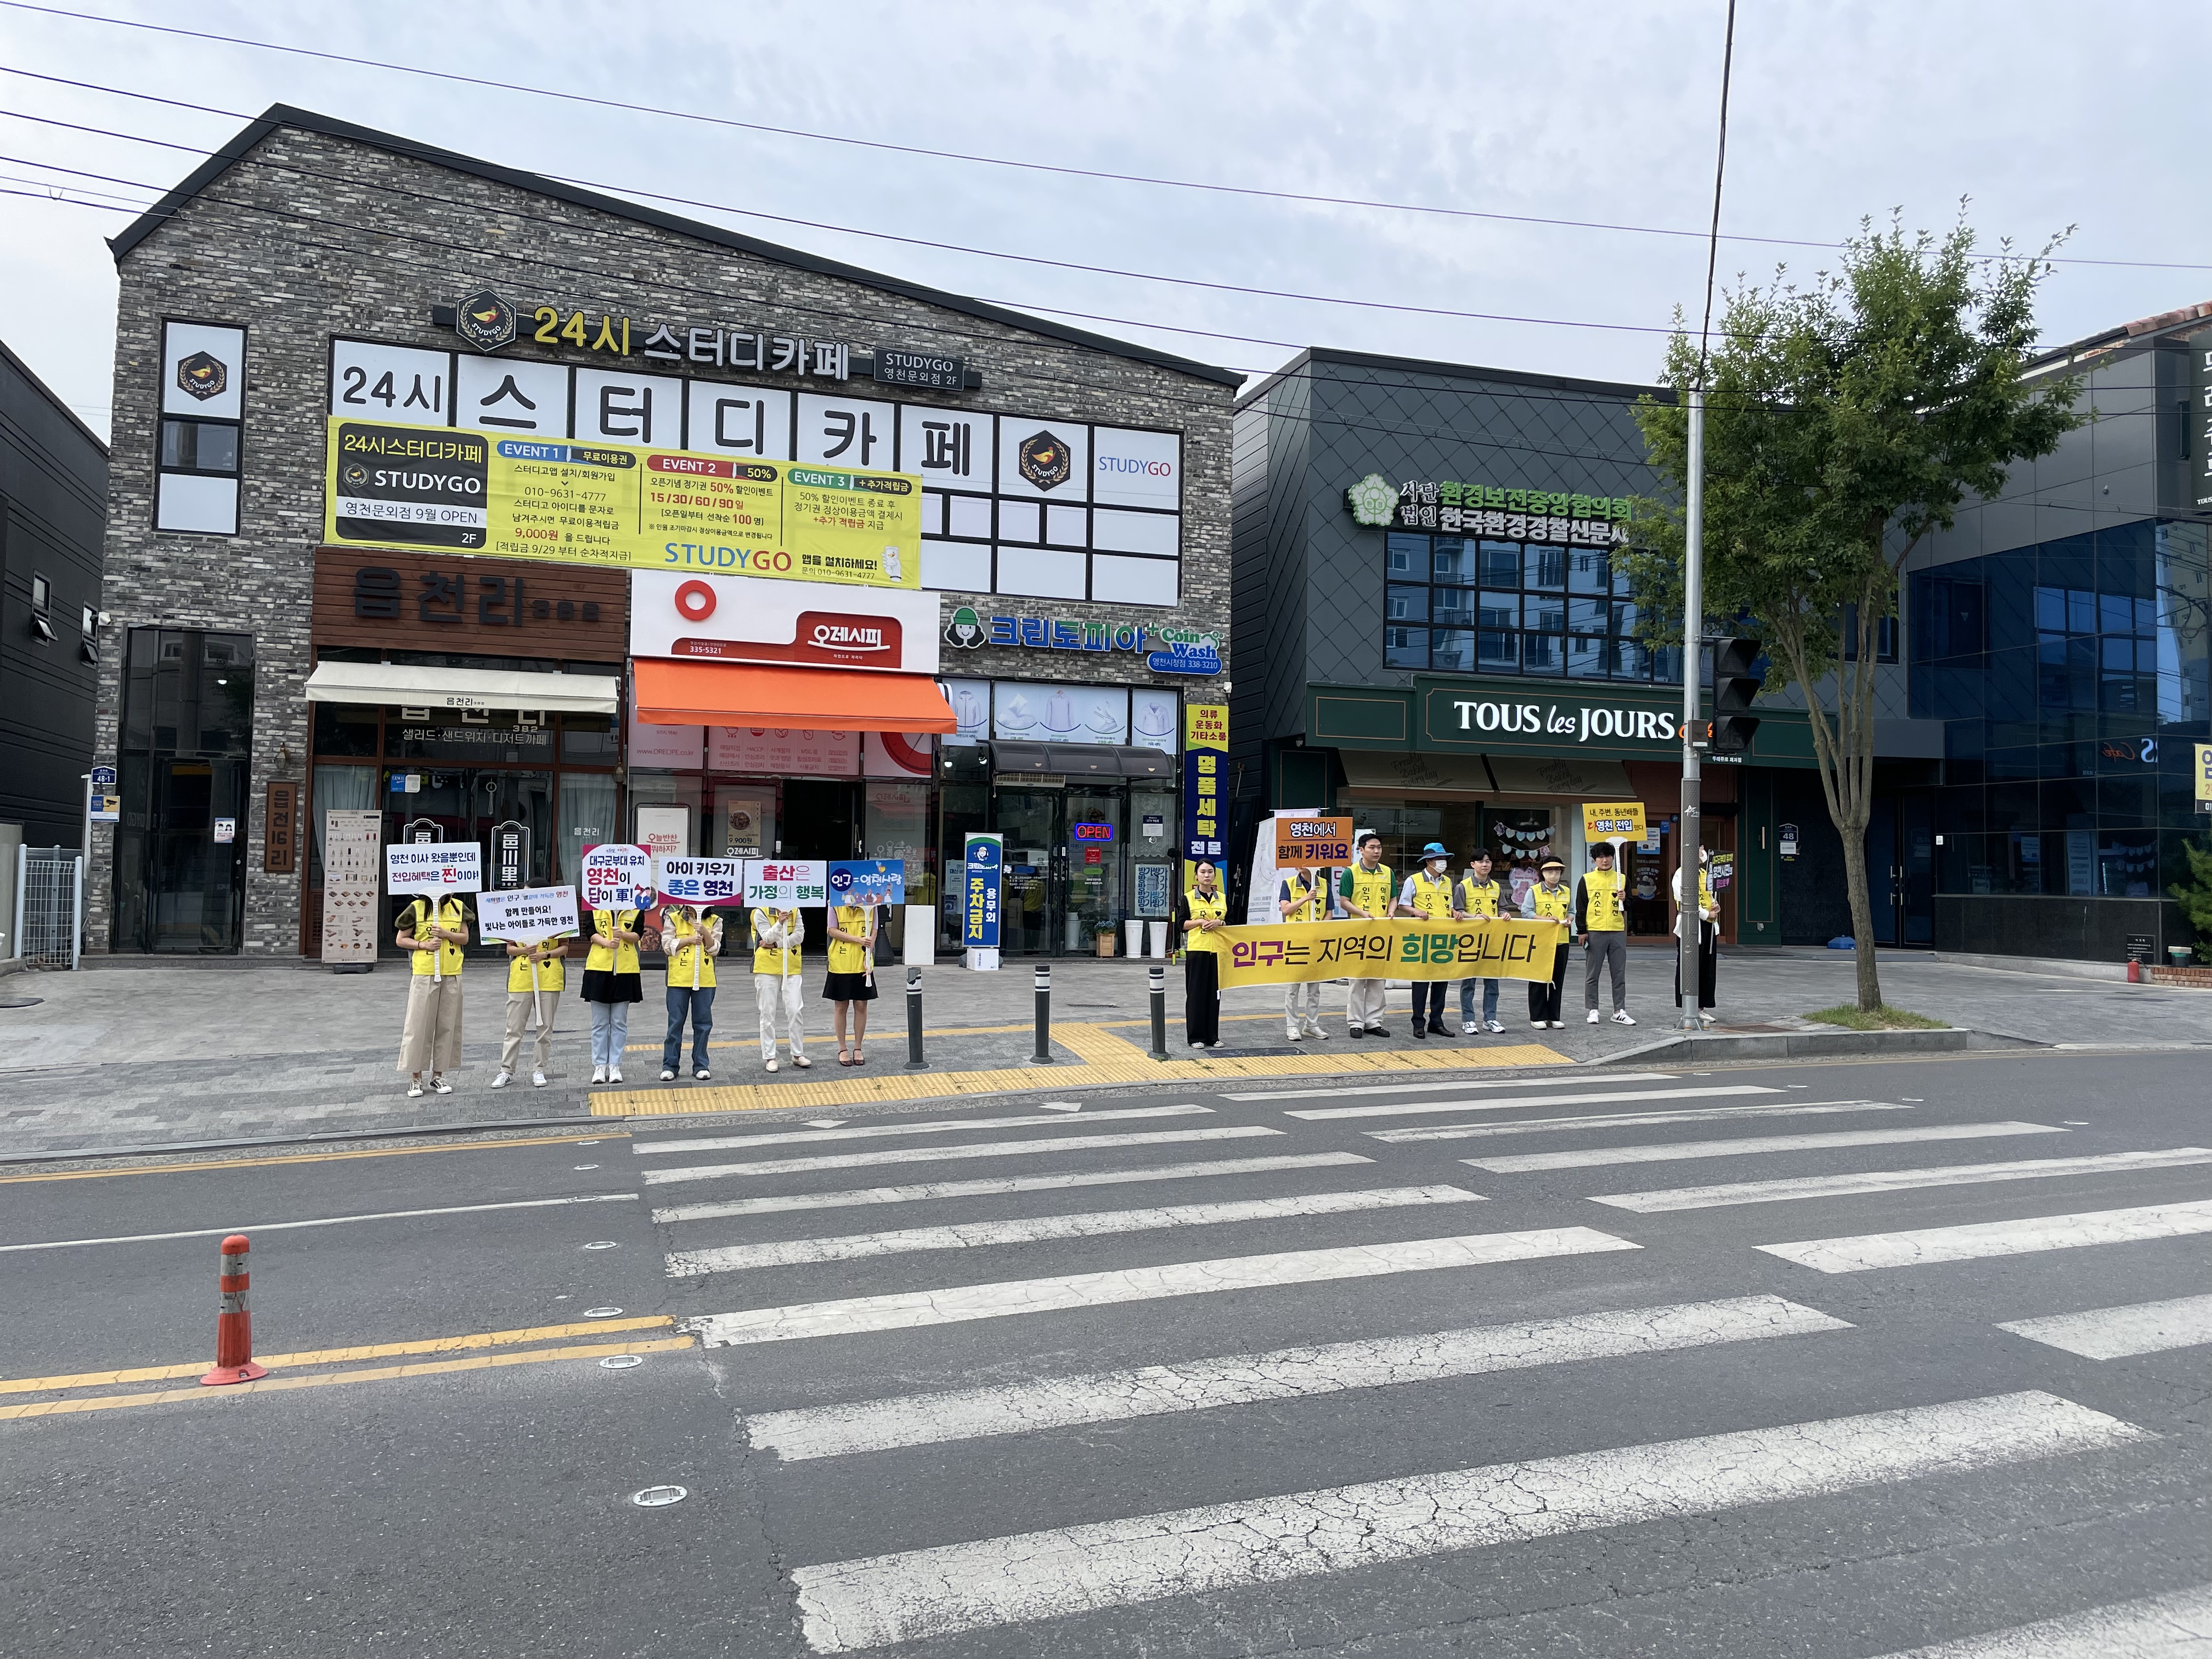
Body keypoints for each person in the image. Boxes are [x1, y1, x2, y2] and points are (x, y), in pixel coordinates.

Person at [395, 891, 468, 1098]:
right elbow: (401, 939)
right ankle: (415, 1077)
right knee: (418, 1025)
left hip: (452, 972)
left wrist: (446, 934)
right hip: (425, 973)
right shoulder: (417, 907)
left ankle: (438, 1075)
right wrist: (423, 945)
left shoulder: (459, 907)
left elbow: (464, 938)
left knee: (448, 1025)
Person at [1396, 842, 1457, 1038]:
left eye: (1444, 858)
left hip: (1444, 939)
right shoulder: (1414, 880)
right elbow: (1403, 905)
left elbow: (1449, 905)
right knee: (1421, 983)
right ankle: (1418, 1022)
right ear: (1429, 861)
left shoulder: (1447, 882)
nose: (1443, 862)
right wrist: (1416, 912)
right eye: (1439, 859)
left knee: (1441, 982)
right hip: (1422, 939)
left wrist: (1455, 912)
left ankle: (1437, 1022)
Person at [657, 902, 722, 1081]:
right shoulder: (673, 918)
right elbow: (667, 946)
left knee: (703, 1024)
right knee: (675, 1023)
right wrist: (689, 940)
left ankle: (701, 1065)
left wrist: (705, 933)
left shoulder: (715, 920)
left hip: (705, 980)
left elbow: (715, 949)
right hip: (678, 979)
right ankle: (670, 1066)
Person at [1338, 832, 1394, 1037]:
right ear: (1361, 850)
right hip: (1359, 932)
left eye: (1379, 847)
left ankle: (1374, 1021)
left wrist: (1391, 911)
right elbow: (1344, 901)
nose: (1376, 851)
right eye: (1372, 847)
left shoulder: (1388, 872)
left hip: (1382, 932)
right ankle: (1355, 1022)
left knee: (1378, 979)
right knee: (1357, 979)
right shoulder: (1350, 873)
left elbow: (1393, 898)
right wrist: (1362, 913)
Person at [582, 902, 644, 1084]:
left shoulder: (636, 906)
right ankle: (600, 1066)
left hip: (626, 969)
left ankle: (615, 1065)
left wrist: (623, 935)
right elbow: (590, 932)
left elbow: (638, 934)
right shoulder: (594, 904)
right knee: (600, 1023)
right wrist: (607, 943)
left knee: (619, 1022)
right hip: (598, 969)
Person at [494, 928, 563, 1089]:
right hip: (521, 978)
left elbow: (564, 947)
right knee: (514, 1027)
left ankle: (539, 1069)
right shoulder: (518, 919)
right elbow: (510, 949)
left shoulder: (556, 918)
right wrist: (525, 950)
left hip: (549, 977)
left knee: (545, 1027)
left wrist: (544, 955)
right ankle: (506, 1070)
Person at [1577, 843, 1635, 1025]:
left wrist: (1625, 899)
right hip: (1595, 931)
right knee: (1592, 974)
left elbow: (1631, 905)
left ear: (1613, 858)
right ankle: (1593, 1010)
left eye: (1608, 856)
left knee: (1619, 973)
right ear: (1594, 859)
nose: (1605, 860)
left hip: (1617, 931)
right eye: (1600, 857)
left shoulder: (1622, 879)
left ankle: (1619, 1011)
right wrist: (1582, 931)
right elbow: (1581, 907)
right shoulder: (1586, 879)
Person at [751, 901, 810, 1073]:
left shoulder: (795, 910)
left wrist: (778, 944)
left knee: (795, 1010)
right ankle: (770, 1056)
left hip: (791, 966)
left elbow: (799, 936)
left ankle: (798, 1054)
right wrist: (779, 923)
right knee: (767, 1013)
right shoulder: (760, 911)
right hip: (766, 968)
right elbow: (766, 937)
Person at [824, 894, 878, 1065]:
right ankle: (842, 1048)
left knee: (861, 1005)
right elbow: (832, 930)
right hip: (840, 962)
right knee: (841, 1005)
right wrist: (858, 940)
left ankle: (858, 1048)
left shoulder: (872, 904)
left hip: (862, 961)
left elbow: (874, 931)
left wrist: (869, 956)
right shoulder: (834, 903)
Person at [1457, 848, 1506, 1035]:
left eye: (1488, 861)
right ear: (1473, 865)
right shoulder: (1463, 887)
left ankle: (1490, 1018)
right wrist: (1473, 916)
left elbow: (1502, 908)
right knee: (1469, 983)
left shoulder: (1497, 887)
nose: (1485, 865)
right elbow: (1457, 912)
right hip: (1470, 941)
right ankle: (1468, 1020)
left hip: (1492, 940)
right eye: (1480, 861)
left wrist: (1504, 914)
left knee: (1492, 983)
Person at [1277, 862, 1328, 1041]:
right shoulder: (1289, 883)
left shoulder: (1324, 884)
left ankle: (1311, 1025)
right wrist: (1306, 898)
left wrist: (1319, 930)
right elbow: (1286, 910)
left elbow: (1329, 912)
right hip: (1295, 942)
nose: (1299, 864)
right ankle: (1292, 1026)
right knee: (1293, 988)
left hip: (1316, 942)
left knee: (1314, 989)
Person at [1180, 858, 1228, 1047]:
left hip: (1218, 952)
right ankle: (1196, 1037)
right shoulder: (1188, 898)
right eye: (1203, 872)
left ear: (1215, 875)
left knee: (1214, 995)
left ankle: (1212, 1037)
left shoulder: (1222, 898)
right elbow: (1181, 924)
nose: (1207, 875)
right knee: (1196, 994)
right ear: (1196, 876)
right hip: (1197, 951)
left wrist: (1220, 923)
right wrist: (1199, 922)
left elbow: (1233, 923)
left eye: (1210, 872)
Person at [1672, 844, 1721, 1026]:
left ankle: (1701, 1007)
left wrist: (1716, 907)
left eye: (1703, 849)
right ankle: (1688, 1008)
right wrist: (1706, 914)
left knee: (1707, 967)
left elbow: (1710, 896)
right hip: (1691, 925)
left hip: (1709, 925)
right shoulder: (1680, 874)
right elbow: (1684, 900)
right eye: (1700, 849)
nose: (1703, 852)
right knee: (1689, 967)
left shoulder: (1705, 873)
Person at [1526, 855, 1574, 1028]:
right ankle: (1537, 1017)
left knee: (1557, 980)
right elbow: (1527, 912)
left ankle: (1554, 1016)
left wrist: (1569, 920)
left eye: (1557, 871)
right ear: (1543, 872)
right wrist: (1545, 920)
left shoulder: (1566, 891)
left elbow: (1572, 911)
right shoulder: (1534, 891)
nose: (1554, 874)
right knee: (1538, 979)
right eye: (1550, 871)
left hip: (1561, 940)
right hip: (1540, 941)